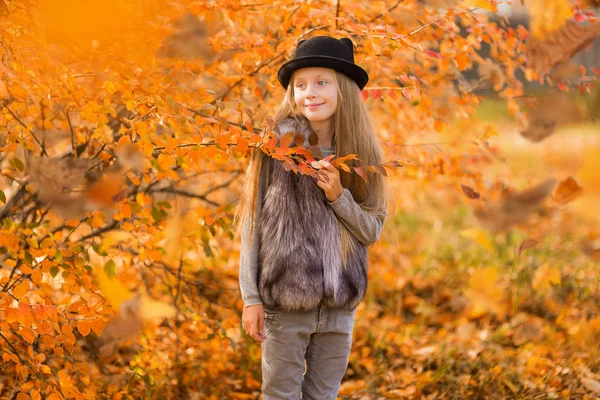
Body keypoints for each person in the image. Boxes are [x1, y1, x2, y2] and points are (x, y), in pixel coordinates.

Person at [235, 35, 388, 399]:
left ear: (344, 90)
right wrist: (250, 297)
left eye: (322, 82)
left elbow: (371, 231)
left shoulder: (363, 153)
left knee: (323, 395)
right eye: (300, 84)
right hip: (284, 305)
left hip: (339, 307)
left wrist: (339, 197)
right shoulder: (276, 148)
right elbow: (252, 223)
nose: (310, 92)